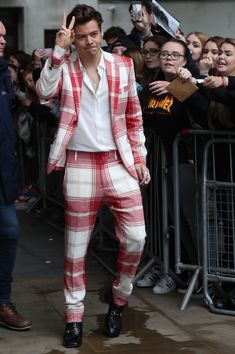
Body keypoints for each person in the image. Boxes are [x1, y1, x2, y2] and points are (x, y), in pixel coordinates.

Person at [36, 4, 150, 348]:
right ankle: (73, 317)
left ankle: (119, 298)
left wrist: (140, 158)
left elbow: (133, 117)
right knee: (75, 248)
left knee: (136, 238)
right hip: (80, 162)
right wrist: (58, 50)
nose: (89, 42)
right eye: (81, 36)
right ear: (73, 38)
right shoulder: (65, 66)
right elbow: (43, 94)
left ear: (102, 31)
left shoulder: (123, 66)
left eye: (94, 35)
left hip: (119, 162)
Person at [0, 21, 32, 330]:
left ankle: (3, 301)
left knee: (9, 232)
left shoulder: (4, 74)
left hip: (3, 172)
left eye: (3, 34)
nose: (3, 40)